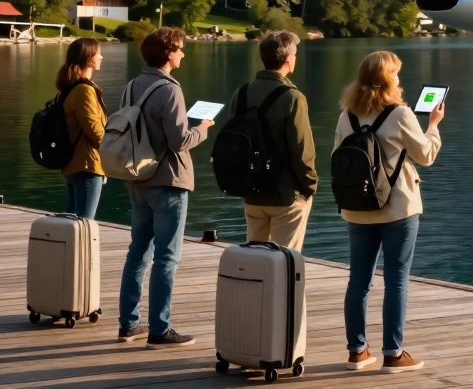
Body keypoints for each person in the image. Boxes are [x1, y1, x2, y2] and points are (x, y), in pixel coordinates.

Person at [334, 51, 442, 374]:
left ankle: (357, 351)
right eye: (396, 73)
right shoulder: (401, 114)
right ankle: (393, 354)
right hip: (398, 209)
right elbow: (426, 155)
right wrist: (433, 126)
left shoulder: (346, 115)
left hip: (357, 209)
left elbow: (337, 159)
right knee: (396, 280)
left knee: (358, 280)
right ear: (385, 79)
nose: (399, 78)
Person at [117, 28, 213, 347]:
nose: (183, 54)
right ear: (169, 53)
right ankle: (160, 329)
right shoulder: (170, 89)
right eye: (181, 50)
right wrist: (202, 130)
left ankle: (129, 324)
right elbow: (179, 141)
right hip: (168, 180)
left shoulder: (132, 85)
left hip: (138, 177)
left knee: (138, 252)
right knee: (167, 257)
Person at [229, 30, 317, 250]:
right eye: (295, 54)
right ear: (288, 60)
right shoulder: (292, 97)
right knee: (285, 261)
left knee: (256, 261)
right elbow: (301, 149)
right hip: (286, 195)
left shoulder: (241, 93)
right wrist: (310, 186)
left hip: (252, 192)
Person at [58, 38, 107, 219]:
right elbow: (95, 131)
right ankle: (79, 249)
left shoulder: (69, 87)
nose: (101, 57)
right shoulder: (83, 90)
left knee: (72, 226)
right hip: (87, 165)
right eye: (98, 53)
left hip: (73, 164)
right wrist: (115, 148)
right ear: (89, 59)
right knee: (83, 226)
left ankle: (70, 249)